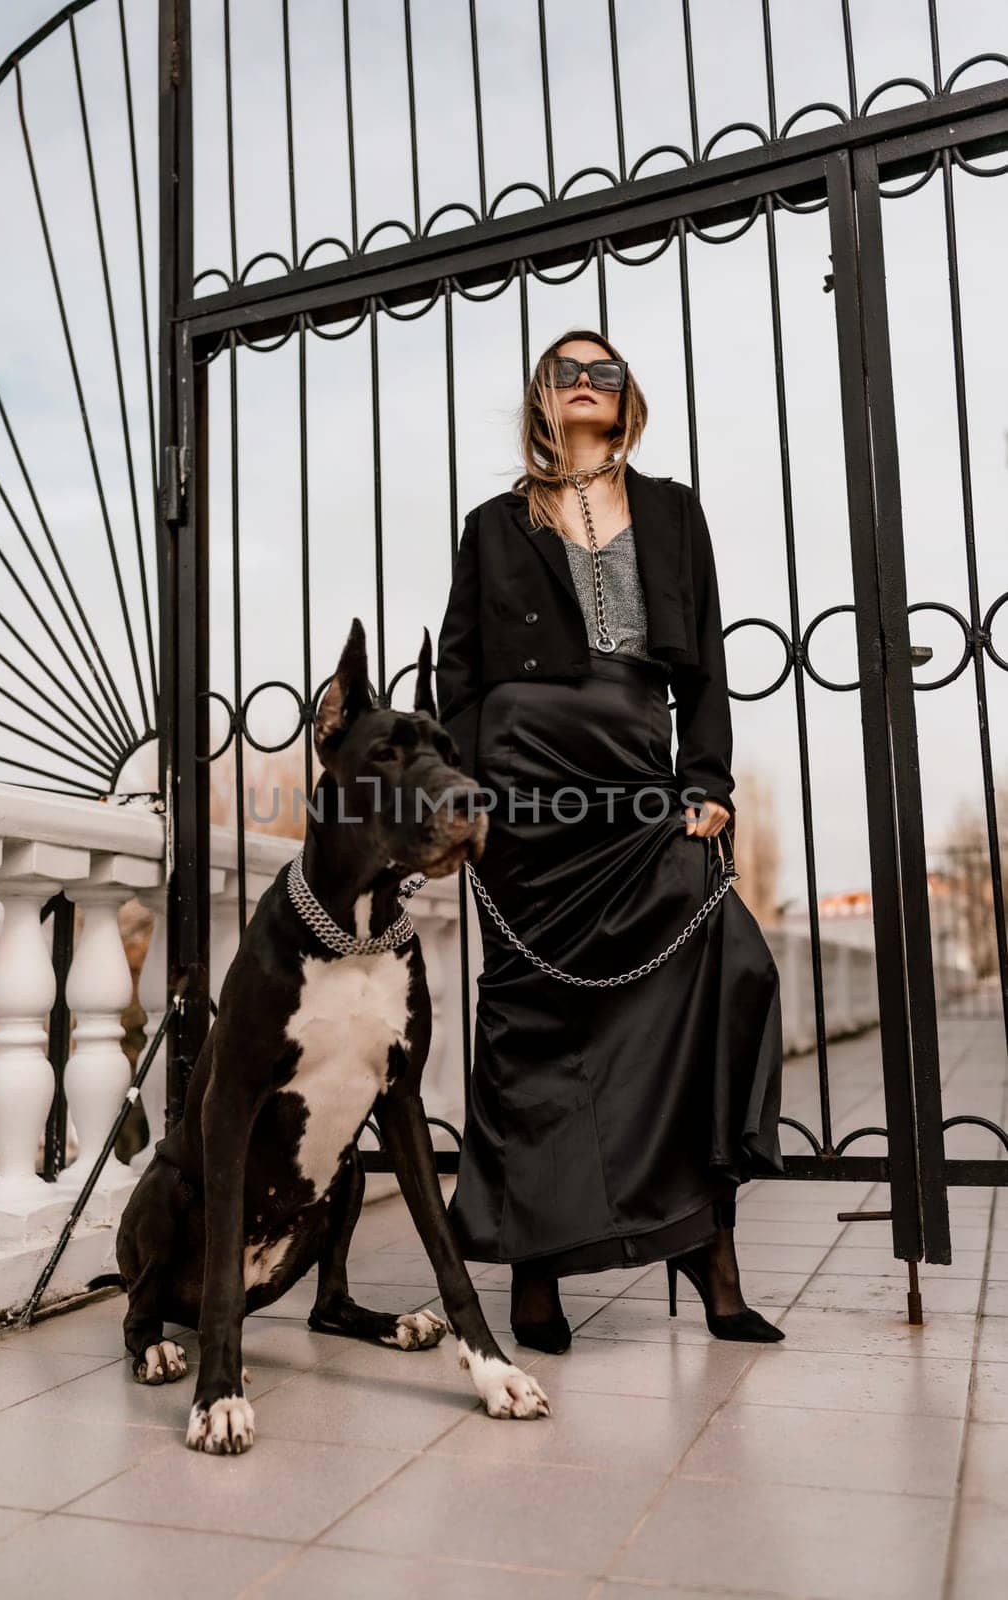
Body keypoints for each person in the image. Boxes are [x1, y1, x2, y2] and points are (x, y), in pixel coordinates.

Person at [434, 328, 786, 1353]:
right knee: (532, 1029)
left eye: (605, 372)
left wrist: (705, 780)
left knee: (714, 975)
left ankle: (702, 1250)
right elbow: (455, 675)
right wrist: (466, 796)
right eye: (566, 372)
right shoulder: (493, 524)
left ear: (625, 398)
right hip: (523, 798)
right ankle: (533, 1276)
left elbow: (704, 668)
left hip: (636, 791)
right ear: (542, 400)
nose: (587, 384)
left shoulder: (672, 512)